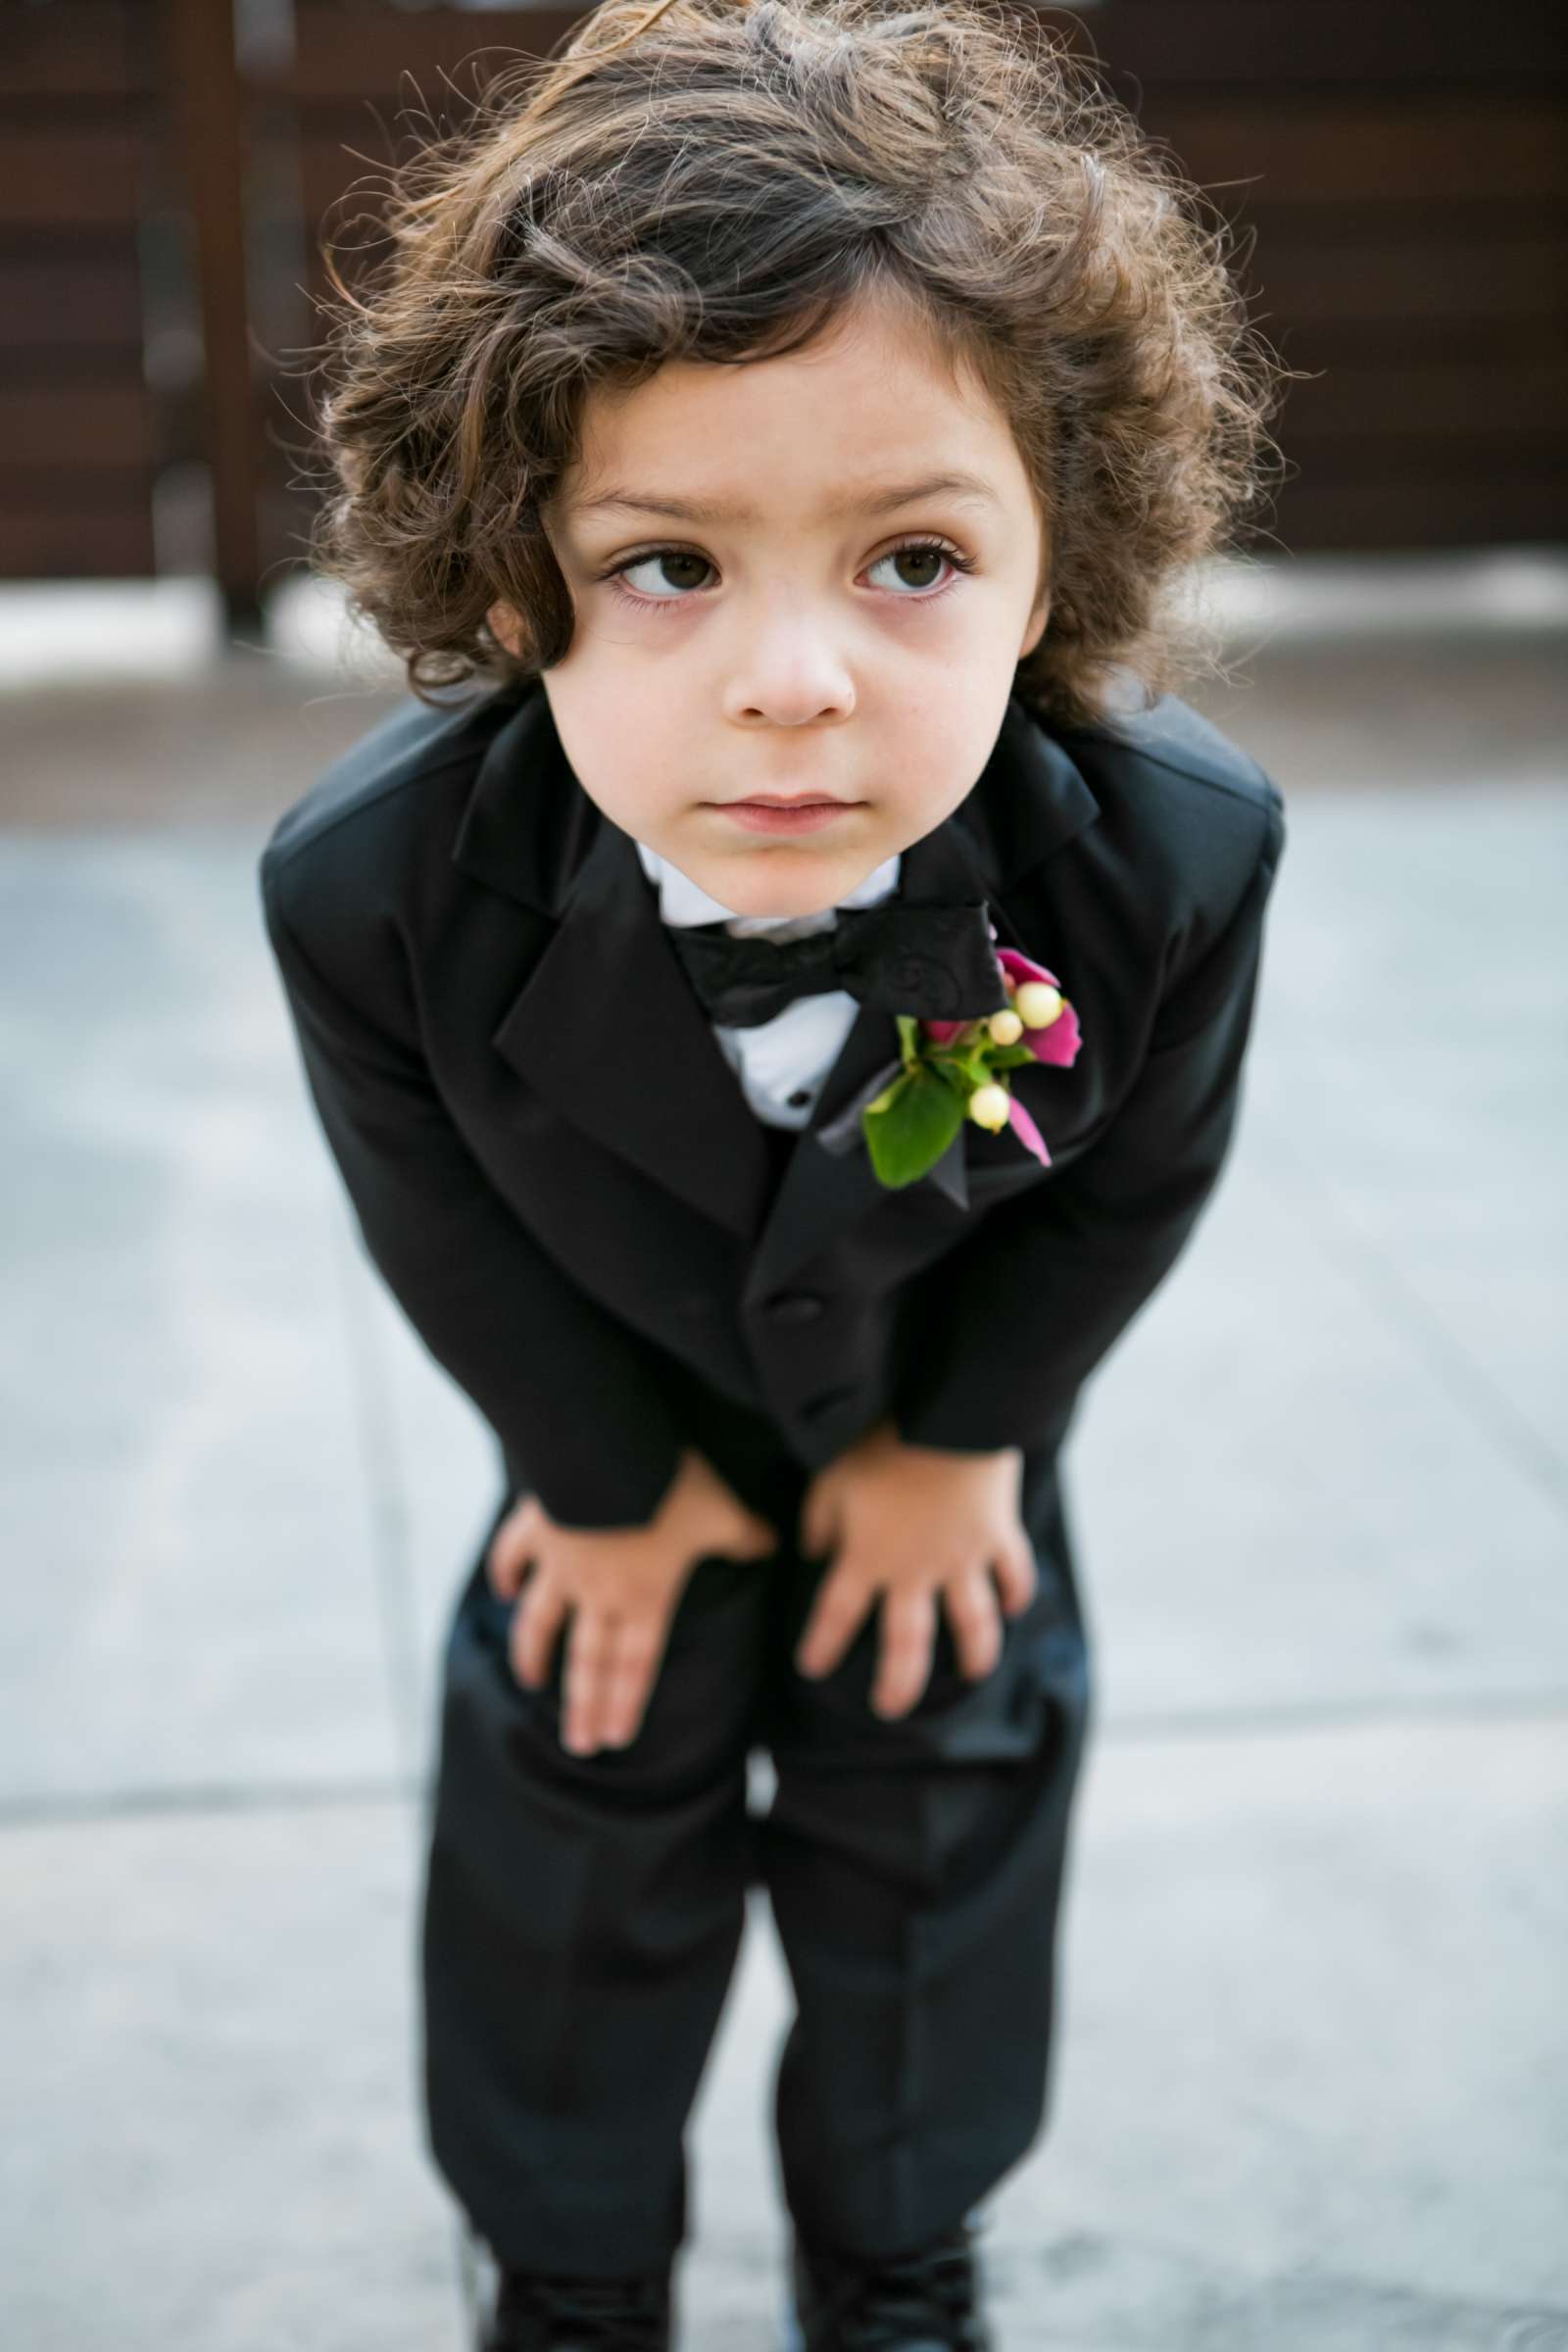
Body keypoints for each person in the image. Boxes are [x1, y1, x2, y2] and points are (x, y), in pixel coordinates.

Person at [258, 0, 1289, 2342]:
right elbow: (427, 1209)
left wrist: (967, 1449)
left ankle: (897, 2260)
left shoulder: (1163, 862)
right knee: (568, 1843)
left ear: (1054, 567)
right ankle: (569, 2275)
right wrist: (596, 1479)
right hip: (611, 1430)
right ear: (509, 579)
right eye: (664, 567)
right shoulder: (376, 890)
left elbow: (1136, 1178)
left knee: (941, 1824)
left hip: (939, 1417)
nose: (793, 679)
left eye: (910, 557)